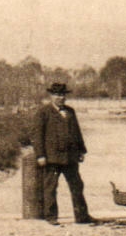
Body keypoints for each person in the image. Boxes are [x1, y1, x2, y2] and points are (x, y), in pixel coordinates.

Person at [32, 81, 96, 225]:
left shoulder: (70, 111)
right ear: (51, 96)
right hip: (52, 158)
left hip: (70, 157)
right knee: (51, 187)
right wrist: (40, 155)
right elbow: (37, 135)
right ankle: (51, 217)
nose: (60, 98)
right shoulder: (43, 112)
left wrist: (81, 150)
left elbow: (77, 132)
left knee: (77, 186)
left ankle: (82, 216)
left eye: (62, 95)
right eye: (56, 95)